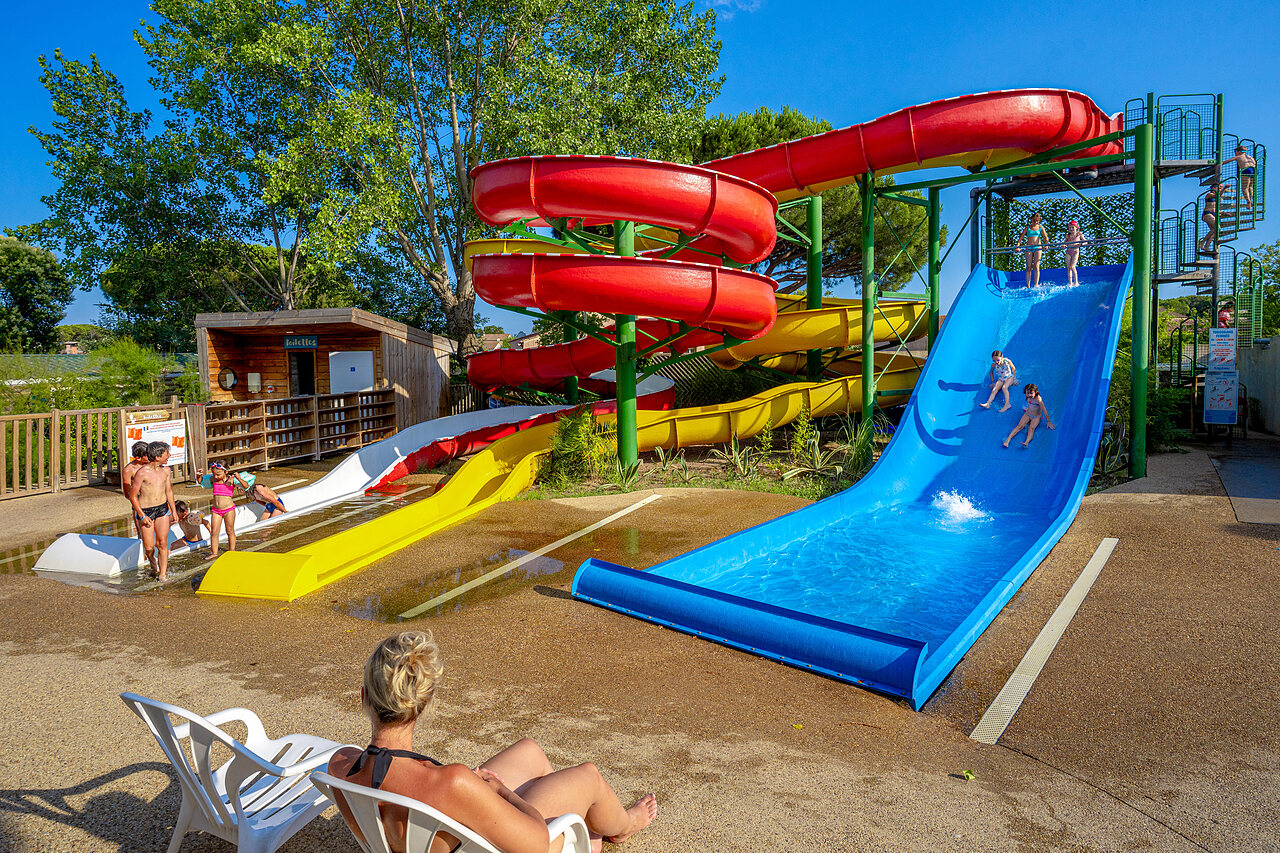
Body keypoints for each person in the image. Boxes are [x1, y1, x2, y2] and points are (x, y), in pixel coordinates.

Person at [328, 632, 657, 853]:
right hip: (487, 847)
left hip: (433, 835)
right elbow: (537, 842)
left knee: (529, 752)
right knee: (589, 777)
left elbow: (394, 780)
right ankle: (625, 825)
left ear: (363, 698)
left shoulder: (340, 765)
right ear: (421, 705)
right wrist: (498, 790)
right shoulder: (450, 780)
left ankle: (591, 824)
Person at [128, 441, 178, 580]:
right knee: (149, 548)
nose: (169, 455)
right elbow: (133, 496)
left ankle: (163, 574)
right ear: (157, 457)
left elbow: (169, 491)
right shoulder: (141, 473)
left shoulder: (166, 471)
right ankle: (152, 562)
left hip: (162, 509)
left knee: (162, 543)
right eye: (166, 453)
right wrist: (141, 515)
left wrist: (173, 510)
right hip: (146, 511)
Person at [121, 441, 154, 569]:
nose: (150, 457)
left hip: (155, 501)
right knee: (142, 533)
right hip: (140, 504)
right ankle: (145, 561)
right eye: (147, 455)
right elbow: (127, 493)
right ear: (138, 457)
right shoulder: (129, 470)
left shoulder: (150, 465)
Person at [1003, 384, 1056, 448]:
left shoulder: (1038, 400)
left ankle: (1026, 442)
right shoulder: (1027, 396)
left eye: (1031, 393)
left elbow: (1044, 410)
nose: (1029, 395)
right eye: (1028, 393)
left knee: (1031, 429)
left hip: (1036, 417)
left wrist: (1048, 421)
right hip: (1028, 414)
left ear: (1035, 392)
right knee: (1019, 426)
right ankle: (1007, 440)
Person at [1016, 213, 1050, 288]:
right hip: (1029, 248)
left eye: (1037, 221)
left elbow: (1046, 238)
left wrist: (1046, 245)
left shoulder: (1041, 227)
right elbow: (1020, 239)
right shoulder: (1027, 228)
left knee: (1036, 266)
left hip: (1038, 248)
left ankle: (1036, 284)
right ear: (1031, 219)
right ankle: (1028, 286)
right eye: (1034, 220)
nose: (1036, 222)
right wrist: (1017, 246)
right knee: (1028, 267)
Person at [1199, 184, 1226, 255]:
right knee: (1217, 227)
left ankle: (1206, 246)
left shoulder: (1216, 199)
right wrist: (1225, 188)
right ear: (1214, 188)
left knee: (1214, 231)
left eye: (1221, 188)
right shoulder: (1209, 194)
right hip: (1207, 214)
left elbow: (1215, 209)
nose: (1220, 190)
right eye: (1219, 188)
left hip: (1212, 214)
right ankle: (1202, 242)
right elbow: (1218, 195)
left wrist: (1224, 213)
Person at [1063, 220, 1087, 286]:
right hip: (1068, 251)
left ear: (1076, 227)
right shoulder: (1068, 235)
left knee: (1073, 266)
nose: (1071, 229)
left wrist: (1082, 244)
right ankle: (1070, 283)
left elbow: (1085, 241)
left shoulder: (1079, 234)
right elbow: (1064, 243)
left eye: (1072, 227)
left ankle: (1076, 282)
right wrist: (1064, 245)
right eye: (1069, 228)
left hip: (1075, 251)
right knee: (1069, 268)